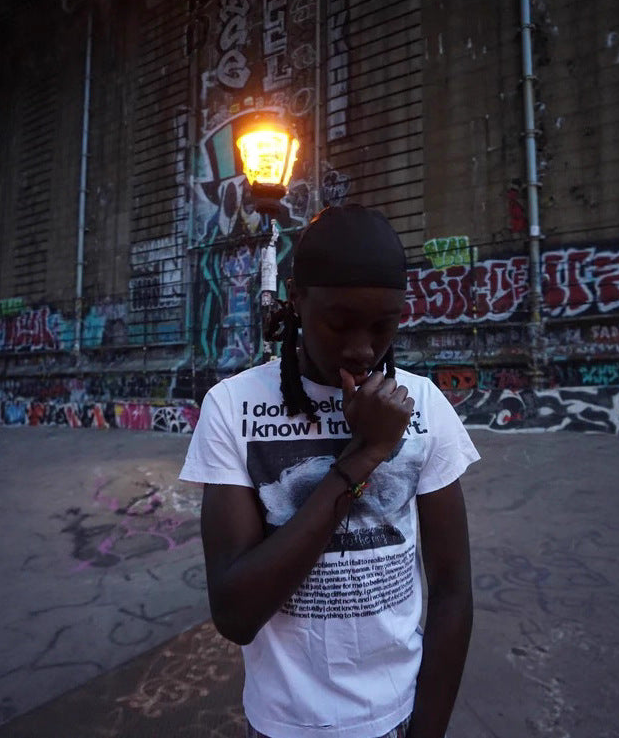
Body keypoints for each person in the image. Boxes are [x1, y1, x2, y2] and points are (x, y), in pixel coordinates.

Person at [179, 204, 480, 738]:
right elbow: (235, 614)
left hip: (397, 716)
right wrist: (363, 455)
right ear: (296, 299)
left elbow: (453, 589)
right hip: (283, 724)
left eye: (384, 326)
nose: (362, 349)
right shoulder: (233, 407)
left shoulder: (426, 406)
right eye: (338, 323)